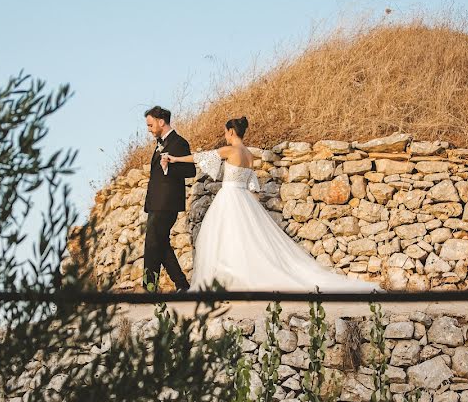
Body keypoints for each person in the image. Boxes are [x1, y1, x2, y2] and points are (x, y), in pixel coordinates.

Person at [163, 116, 381, 293]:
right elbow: (252, 184)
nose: (225, 136)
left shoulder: (230, 151)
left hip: (229, 197)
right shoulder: (249, 155)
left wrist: (175, 159)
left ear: (231, 132)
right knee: (247, 240)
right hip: (245, 199)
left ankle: (229, 280)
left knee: (225, 239)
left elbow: (200, 157)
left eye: (225, 132)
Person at [142, 106, 197, 292]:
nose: (149, 129)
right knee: (161, 243)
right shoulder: (160, 143)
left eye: (150, 125)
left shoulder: (179, 143)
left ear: (161, 121)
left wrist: (169, 167)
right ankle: (181, 284)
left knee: (152, 243)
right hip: (156, 203)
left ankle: (149, 288)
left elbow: (191, 170)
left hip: (167, 203)